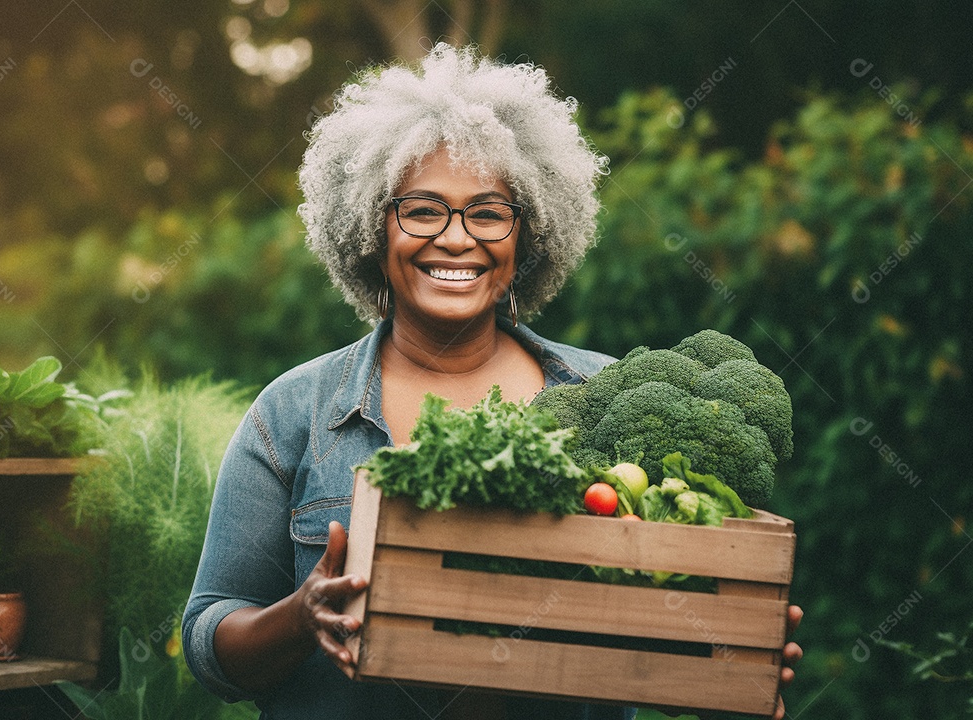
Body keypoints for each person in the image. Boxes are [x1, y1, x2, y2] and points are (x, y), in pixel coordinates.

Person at [182, 44, 802, 720]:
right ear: (370, 230)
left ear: (527, 235)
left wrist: (727, 658)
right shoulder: (295, 412)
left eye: (487, 212)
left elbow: (658, 624)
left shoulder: (604, 394)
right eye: (422, 210)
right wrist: (300, 619)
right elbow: (211, 640)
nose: (456, 238)